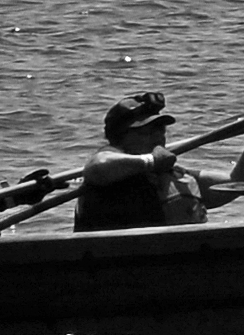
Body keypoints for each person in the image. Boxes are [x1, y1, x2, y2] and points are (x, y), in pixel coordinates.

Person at [72, 90, 216, 230]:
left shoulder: (168, 173)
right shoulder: (107, 166)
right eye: (147, 132)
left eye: (161, 130)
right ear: (121, 137)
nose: (158, 137)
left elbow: (234, 182)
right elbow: (98, 165)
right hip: (113, 252)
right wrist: (152, 160)